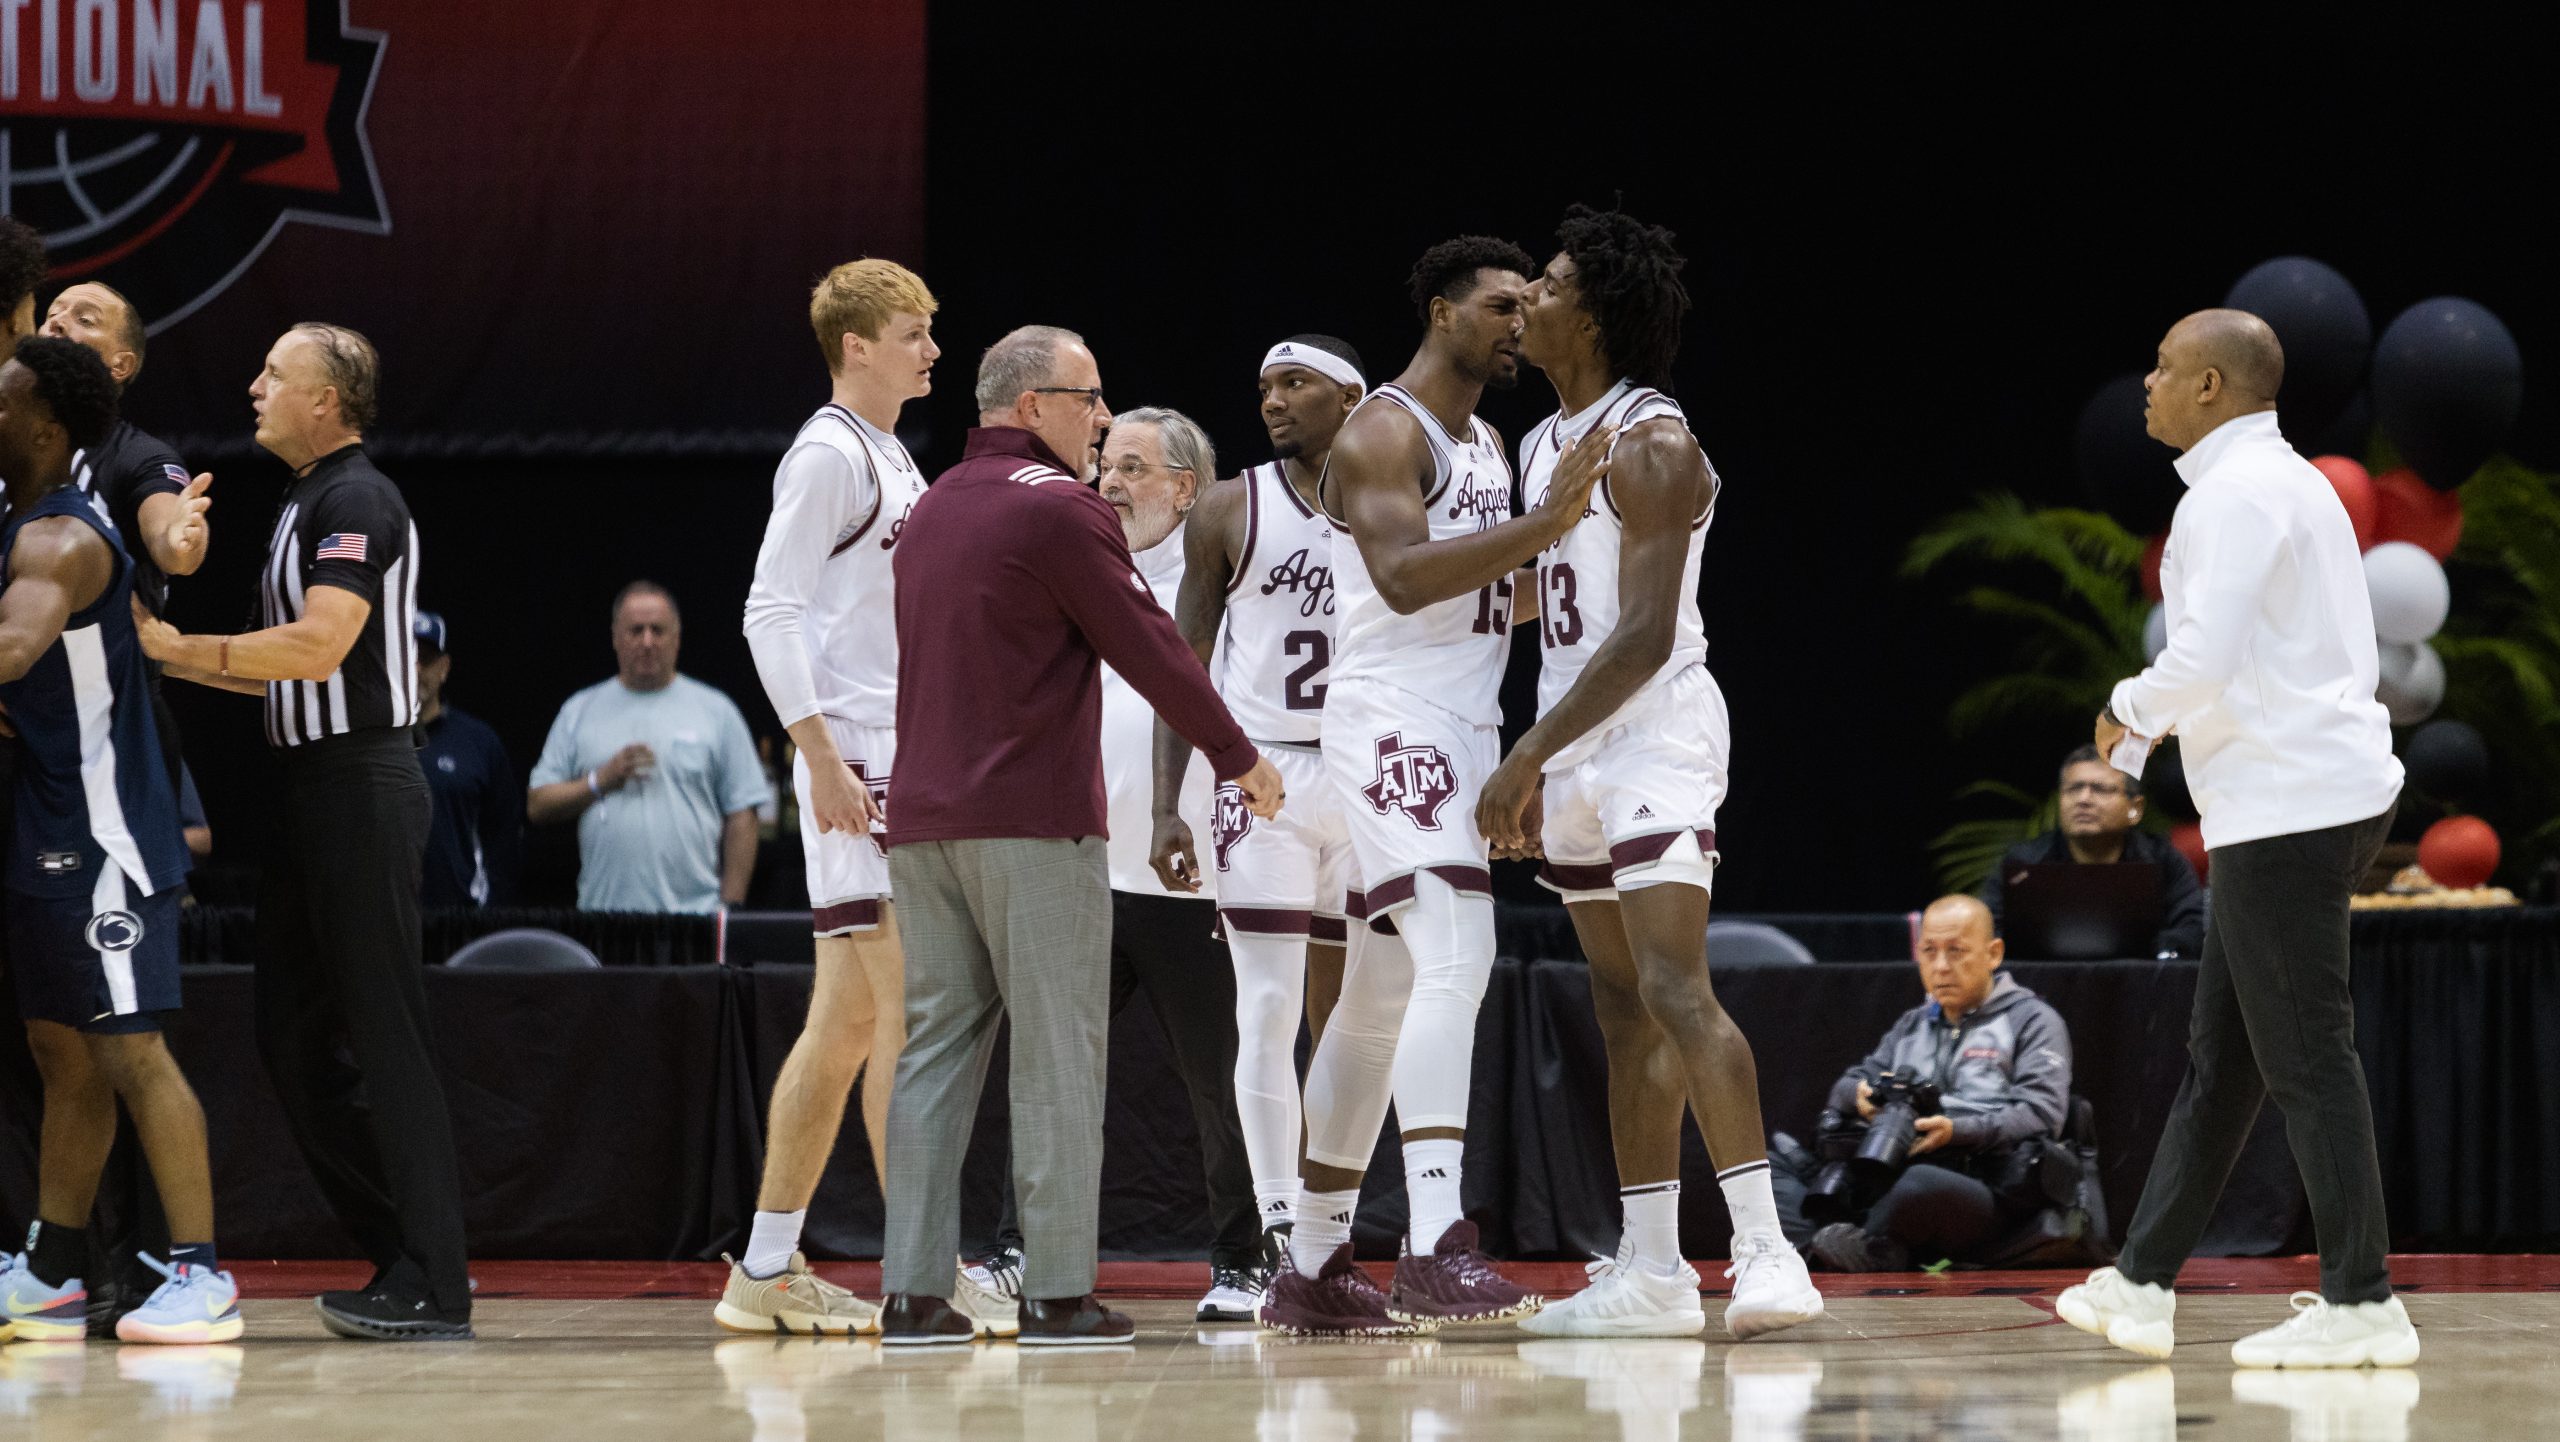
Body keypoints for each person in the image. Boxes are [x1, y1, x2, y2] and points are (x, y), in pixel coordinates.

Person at [874, 325, 1281, 1347]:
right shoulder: (1060, 511)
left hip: (922, 826)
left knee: (933, 1054)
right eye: (1087, 399)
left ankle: (913, 1293)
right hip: (1031, 822)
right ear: (1030, 405)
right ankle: (1056, 1292)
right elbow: (1151, 645)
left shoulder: (927, 509)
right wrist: (1237, 755)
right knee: (1057, 1052)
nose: (1099, 421)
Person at [1487, 205, 1822, 1340]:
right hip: (1575, 735)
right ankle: (1651, 1269)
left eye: (1549, 279)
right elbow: (1557, 602)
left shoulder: (1654, 442)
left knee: (1678, 987)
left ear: (1596, 310)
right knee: (1622, 1005)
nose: (1527, 293)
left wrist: (1520, 755)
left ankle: (1769, 1255)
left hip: (1656, 728)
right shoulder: (1544, 444)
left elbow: (1636, 636)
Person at [1261, 236, 1605, 1338]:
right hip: (1389, 717)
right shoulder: (1381, 429)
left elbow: (1478, 599)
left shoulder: (1492, 442)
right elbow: (1406, 580)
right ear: (1444, 310)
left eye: (1528, 305)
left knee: (1377, 995)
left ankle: (1313, 1262)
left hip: (1466, 721)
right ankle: (1435, 1242)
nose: (1519, 322)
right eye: (1502, 304)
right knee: (1460, 944)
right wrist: (1549, 526)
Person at [2059, 309, 2415, 1369]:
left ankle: (2363, 1302)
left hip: (2288, 805)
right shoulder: (2289, 480)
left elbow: (2199, 657)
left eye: (2164, 370)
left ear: (2210, 385)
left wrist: (2123, 706)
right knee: (2227, 1060)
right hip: (2311, 793)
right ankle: (2140, 1284)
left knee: (2308, 1054)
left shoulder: (2232, 493)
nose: (2147, 388)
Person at [137, 321, 472, 1340]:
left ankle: (437, 1278)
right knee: (288, 1038)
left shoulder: (356, 496)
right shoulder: (299, 499)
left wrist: (173, 646)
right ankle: (400, 1249)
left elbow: (323, 642)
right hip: (307, 790)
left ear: (327, 399)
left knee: (385, 1035)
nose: (253, 385)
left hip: (360, 783)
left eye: (273, 372)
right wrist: (168, 653)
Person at [0, 336, 235, 1345]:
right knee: (64, 1050)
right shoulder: (22, 520)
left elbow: (9, 650)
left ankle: (199, 1272)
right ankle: (54, 1264)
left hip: (107, 836)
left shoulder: (59, 538)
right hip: (50, 820)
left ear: (43, 423)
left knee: (134, 1049)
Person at [722, 258, 939, 1338]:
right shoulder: (826, 454)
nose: (932, 349)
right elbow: (769, 610)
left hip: (877, 750)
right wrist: (816, 753)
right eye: (914, 332)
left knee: (845, 1019)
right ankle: (922, 1273)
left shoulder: (888, 452)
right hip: (856, 757)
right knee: (913, 1011)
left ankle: (763, 1266)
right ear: (857, 344)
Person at [1151, 336, 1366, 1275]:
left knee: (1360, 1013)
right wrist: (1171, 804)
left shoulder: (1399, 503)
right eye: (1266, 385)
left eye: (1296, 383)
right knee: (1270, 1007)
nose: (1273, 400)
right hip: (1264, 777)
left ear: (1352, 400)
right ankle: (1279, 1232)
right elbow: (1180, 669)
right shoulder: (1233, 507)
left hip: (1366, 772)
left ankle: (1333, 1226)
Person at [1780, 895, 2073, 1273]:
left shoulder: (2034, 1020)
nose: (1940, 967)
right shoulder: (1913, 1023)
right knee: (1779, 1163)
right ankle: (1817, 1253)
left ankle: (1866, 1246)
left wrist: (1958, 1131)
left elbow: (2042, 1114)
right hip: (1893, 1169)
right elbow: (1850, 1082)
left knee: (1923, 1185)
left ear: (1993, 953)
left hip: (1980, 1182)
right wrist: (1860, 1097)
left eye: (1956, 951)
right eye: (1929, 952)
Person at [527, 583, 771, 914]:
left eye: (657, 630)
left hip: (695, 917)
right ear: (615, 637)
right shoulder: (580, 710)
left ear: (677, 638)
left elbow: (743, 812)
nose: (646, 642)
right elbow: (538, 804)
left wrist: (730, 906)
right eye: (635, 630)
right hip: (603, 916)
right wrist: (601, 780)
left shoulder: (716, 711)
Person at [42, 282, 214, 628]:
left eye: (85, 320)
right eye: (51, 313)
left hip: (95, 678)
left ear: (119, 365)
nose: (58, 321)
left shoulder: (140, 456)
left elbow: (169, 541)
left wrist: (180, 542)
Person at [1978, 745, 2205, 958]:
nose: (2083, 799)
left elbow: (2192, 927)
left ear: (2135, 809)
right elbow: (1988, 930)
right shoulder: (2024, 864)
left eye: (2100, 789)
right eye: (2073, 789)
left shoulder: (2163, 861)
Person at [413, 613, 522, 909]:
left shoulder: (479, 742)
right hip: (384, 921)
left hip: (459, 922)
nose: (415, 668)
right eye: (406, 655)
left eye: (426, 658)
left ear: (444, 668)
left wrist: (491, 910)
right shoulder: (368, 742)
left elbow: (504, 836)